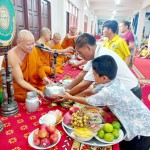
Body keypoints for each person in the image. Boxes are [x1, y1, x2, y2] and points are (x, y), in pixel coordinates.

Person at [59, 55, 150, 150]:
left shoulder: (109, 91)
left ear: (104, 78)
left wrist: (70, 97)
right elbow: (91, 92)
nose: (93, 77)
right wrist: (73, 94)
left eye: (94, 74)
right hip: (139, 119)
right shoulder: (113, 81)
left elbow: (88, 101)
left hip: (141, 128)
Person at [65, 33, 141, 100]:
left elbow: (85, 84)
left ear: (88, 48)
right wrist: (68, 88)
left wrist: (67, 96)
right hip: (122, 90)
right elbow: (83, 73)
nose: (79, 55)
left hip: (130, 92)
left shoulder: (101, 56)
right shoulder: (95, 53)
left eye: (80, 52)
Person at [1, 30, 53, 102]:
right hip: (14, 82)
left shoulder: (32, 50)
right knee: (26, 95)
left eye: (33, 43)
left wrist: (44, 78)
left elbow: (39, 66)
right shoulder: (12, 56)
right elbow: (20, 80)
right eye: (28, 44)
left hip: (30, 80)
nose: (31, 47)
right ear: (18, 42)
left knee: (43, 87)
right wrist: (36, 91)